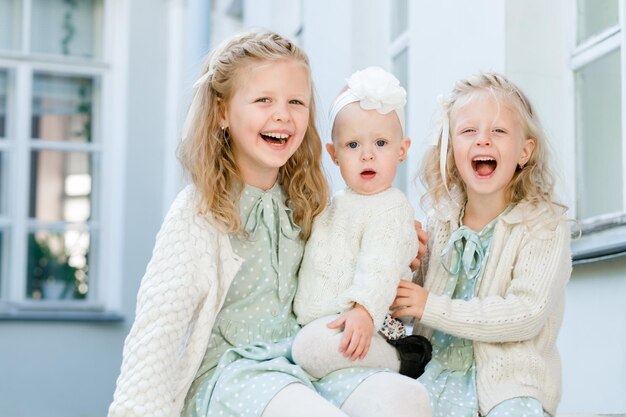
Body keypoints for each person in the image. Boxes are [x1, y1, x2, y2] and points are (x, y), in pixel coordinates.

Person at [107, 31, 430, 417]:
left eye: (296, 101)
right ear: (222, 112)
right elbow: (156, 331)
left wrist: (401, 246)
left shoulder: (307, 202)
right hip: (236, 374)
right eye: (264, 100)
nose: (283, 114)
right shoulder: (199, 212)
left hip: (305, 361)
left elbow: (352, 263)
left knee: (407, 400)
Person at [391, 72, 572, 417]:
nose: (483, 141)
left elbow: (525, 315)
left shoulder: (543, 226)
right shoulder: (440, 223)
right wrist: (400, 259)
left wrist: (430, 305)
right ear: (451, 150)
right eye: (468, 131)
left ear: (524, 151)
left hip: (510, 386)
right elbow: (403, 306)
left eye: (499, 131)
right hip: (435, 377)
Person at [292, 67, 431, 380]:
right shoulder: (334, 204)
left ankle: (403, 358)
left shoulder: (392, 207)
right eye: (353, 145)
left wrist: (364, 310)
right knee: (308, 347)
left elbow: (379, 266)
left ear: (402, 150)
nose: (367, 155)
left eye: (381, 143)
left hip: (369, 323)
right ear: (334, 154)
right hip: (325, 320)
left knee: (310, 349)